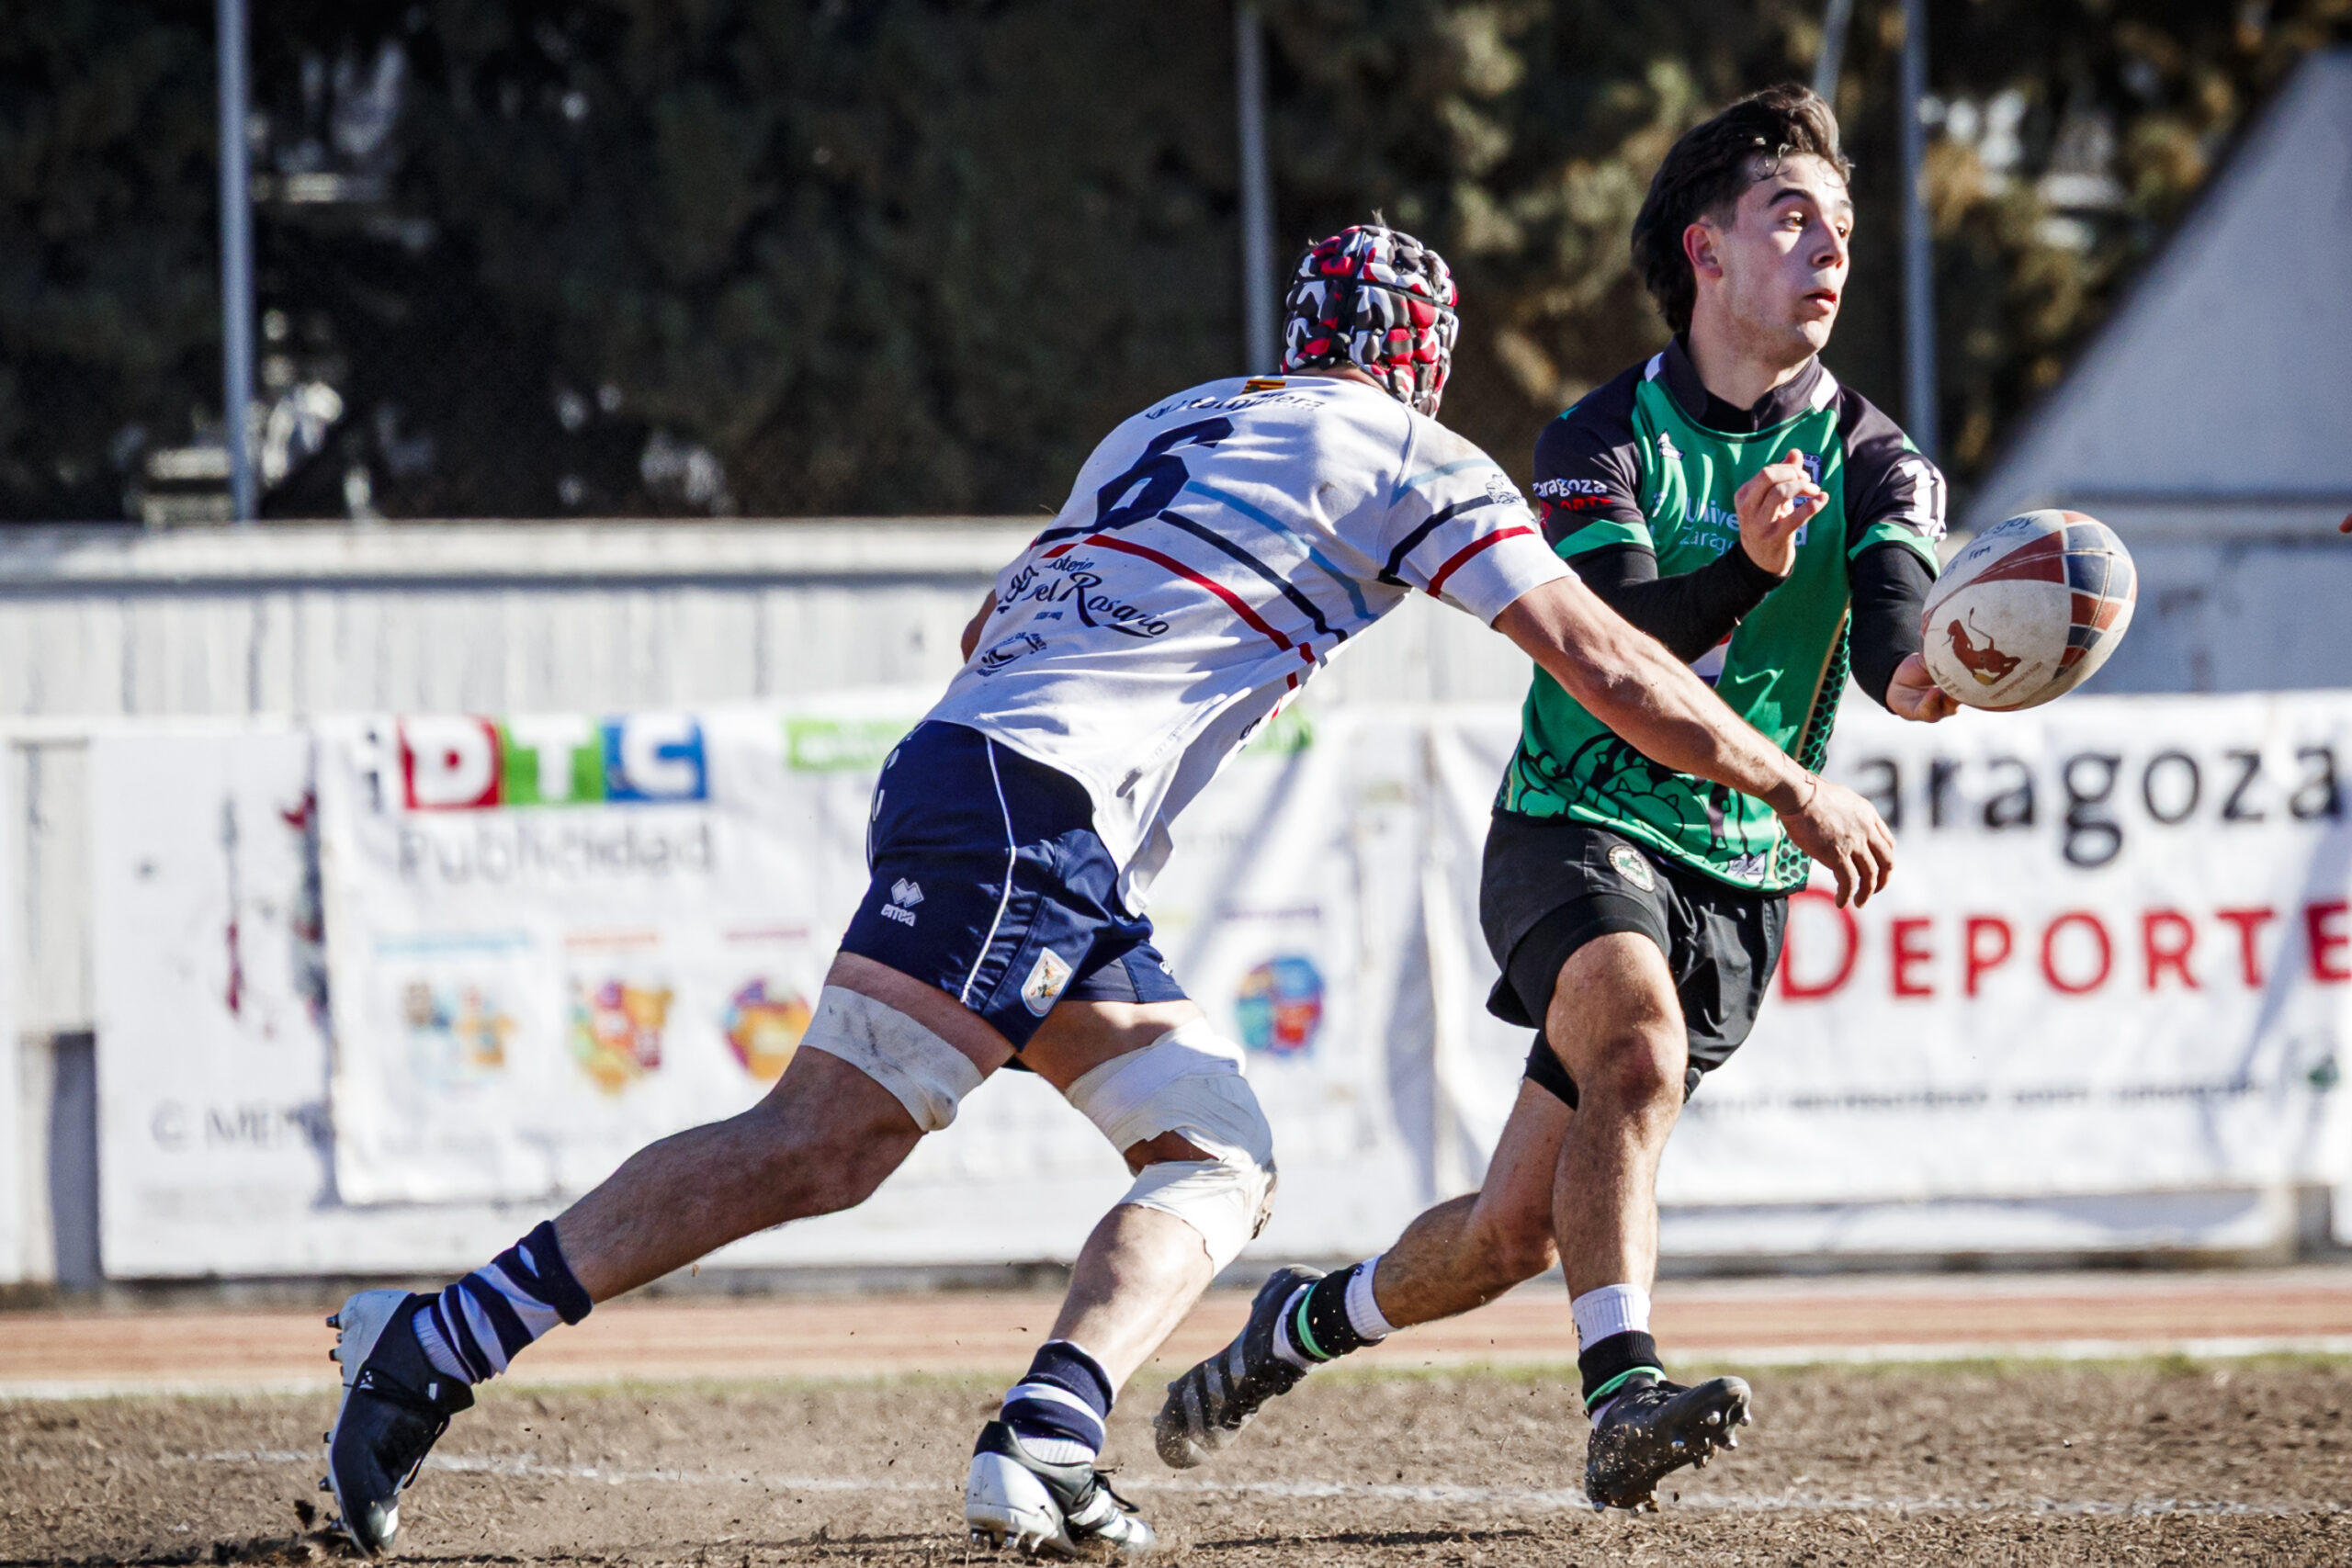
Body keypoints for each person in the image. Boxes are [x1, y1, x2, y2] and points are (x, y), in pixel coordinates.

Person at [318, 221, 1894, 1560]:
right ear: (1425, 361)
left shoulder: (1168, 421)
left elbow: (993, 615)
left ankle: (1052, 1432)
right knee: (824, 1143)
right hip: (1040, 804)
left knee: (1214, 1152)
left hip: (988, 780)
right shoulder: (1412, 452)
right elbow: (1605, 655)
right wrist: (1792, 781)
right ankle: (437, 1341)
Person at [1157, 85, 1954, 1513]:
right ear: (1706, 252)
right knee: (1636, 1048)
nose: (1829, 247)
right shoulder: (1599, 433)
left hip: (1736, 872)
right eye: (1791, 218)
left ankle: (1296, 1324)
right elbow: (1614, 633)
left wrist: (1958, 667)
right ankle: (1625, 1395)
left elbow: (1900, 645)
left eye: (1841, 224)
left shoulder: (1877, 457)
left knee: (1511, 1232)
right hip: (1571, 827)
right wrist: (1754, 574)